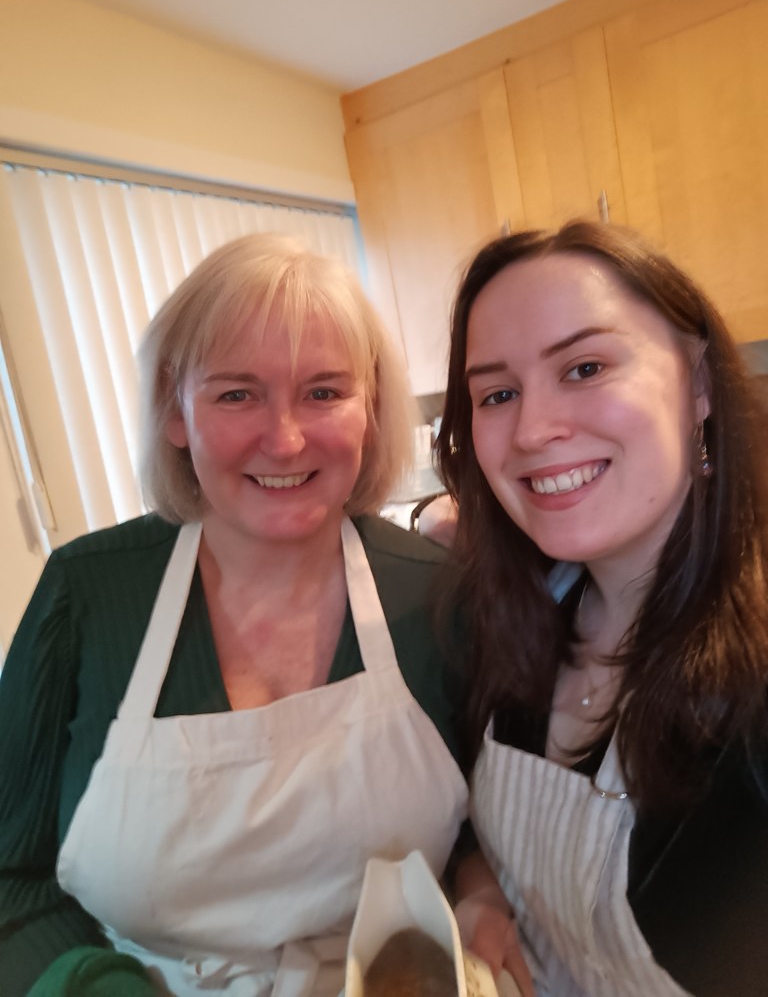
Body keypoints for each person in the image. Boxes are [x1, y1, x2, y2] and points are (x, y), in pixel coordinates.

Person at [0, 234, 468, 997]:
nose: (284, 440)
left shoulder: (439, 593)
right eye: (236, 393)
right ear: (175, 411)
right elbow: (8, 874)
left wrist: (479, 894)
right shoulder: (87, 596)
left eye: (324, 391)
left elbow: (490, 825)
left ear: (370, 411)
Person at [437, 221, 768, 997]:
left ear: (698, 385)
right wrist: (480, 887)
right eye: (498, 393)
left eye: (585, 367)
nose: (533, 430)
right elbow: (474, 827)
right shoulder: (513, 620)